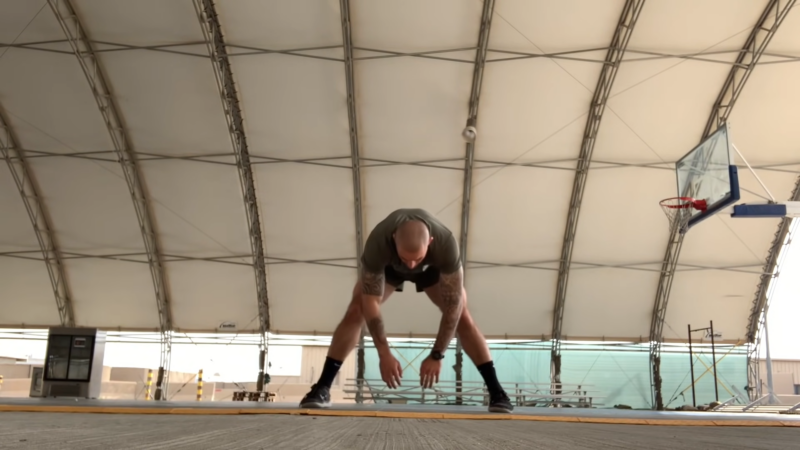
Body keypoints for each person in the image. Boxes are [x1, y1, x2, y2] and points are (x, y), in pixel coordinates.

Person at [299, 208, 513, 413]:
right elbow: (370, 303)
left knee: (463, 315)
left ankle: (496, 391)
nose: (411, 266)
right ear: (394, 238)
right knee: (356, 310)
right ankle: (323, 387)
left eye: (417, 259)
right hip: (389, 268)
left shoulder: (446, 244)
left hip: (432, 271)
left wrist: (437, 355)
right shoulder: (378, 242)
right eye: (406, 258)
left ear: (430, 242)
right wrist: (384, 354)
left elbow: (453, 307)